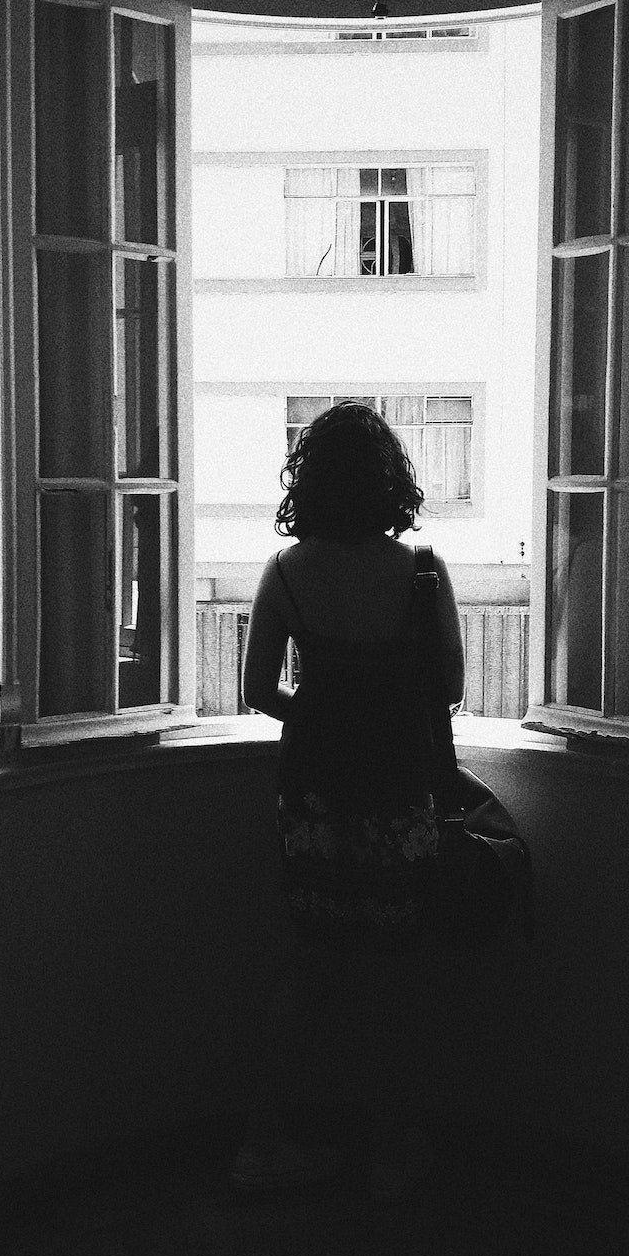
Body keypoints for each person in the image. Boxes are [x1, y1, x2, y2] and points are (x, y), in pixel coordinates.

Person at [232, 400, 464, 1198]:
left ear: (311, 481)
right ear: (390, 479)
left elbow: (258, 688)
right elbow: (452, 685)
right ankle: (394, 1150)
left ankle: (265, 1145)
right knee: (396, 975)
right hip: (398, 789)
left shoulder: (288, 573)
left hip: (315, 794)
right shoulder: (422, 571)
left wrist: (323, 711)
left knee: (308, 968)